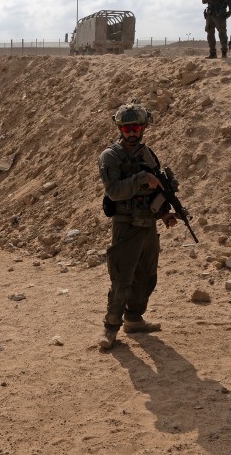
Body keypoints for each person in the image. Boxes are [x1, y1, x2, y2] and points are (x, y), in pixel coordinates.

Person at [97, 103, 179, 349]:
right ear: (120, 129)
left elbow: (159, 188)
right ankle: (110, 328)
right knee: (122, 278)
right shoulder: (110, 156)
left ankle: (134, 318)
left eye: (136, 128)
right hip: (126, 224)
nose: (131, 133)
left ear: (143, 128)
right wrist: (141, 179)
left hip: (148, 223)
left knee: (146, 276)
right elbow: (114, 192)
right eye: (127, 128)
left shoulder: (147, 154)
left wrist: (164, 213)